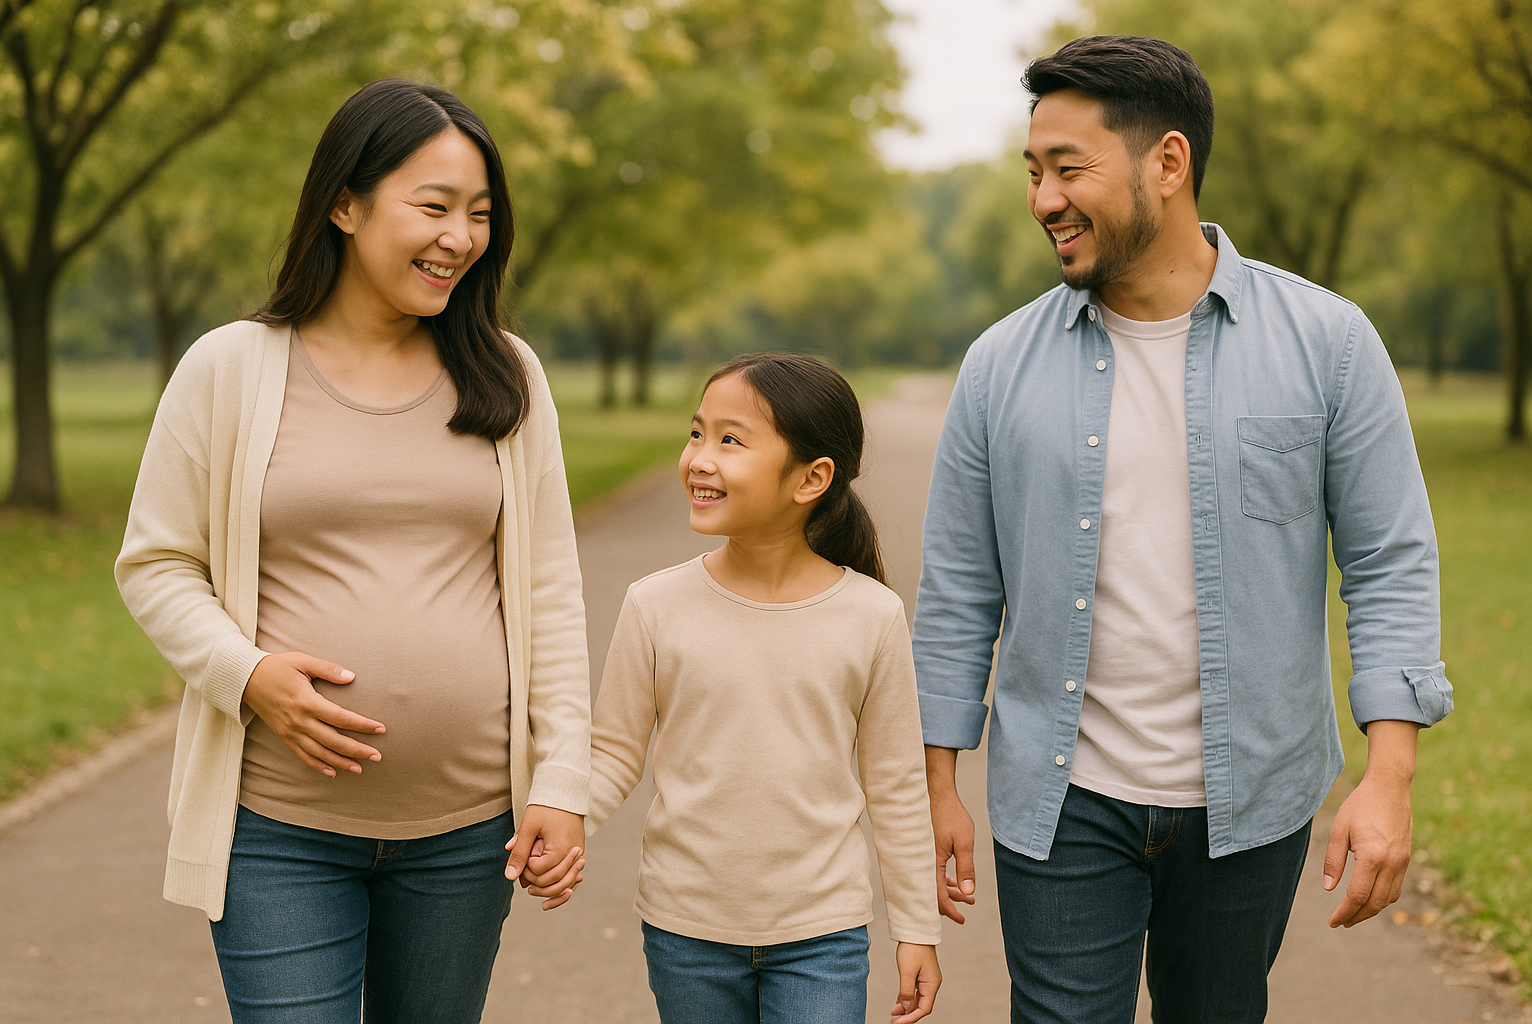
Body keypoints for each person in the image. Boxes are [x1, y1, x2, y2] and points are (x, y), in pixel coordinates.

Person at [912, 35, 1453, 1024]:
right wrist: (937, 781)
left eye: (1069, 169)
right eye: (1033, 172)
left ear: (1168, 162)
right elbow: (958, 586)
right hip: (1061, 801)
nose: (1043, 200)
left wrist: (1390, 775)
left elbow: (1388, 562)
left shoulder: (1329, 344)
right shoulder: (997, 367)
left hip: (1254, 798)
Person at [114, 79, 591, 1024]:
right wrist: (244, 673)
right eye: (434, 206)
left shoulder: (506, 373)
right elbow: (157, 563)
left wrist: (563, 781)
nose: (461, 236)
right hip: (278, 831)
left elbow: (550, 596)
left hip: (466, 836)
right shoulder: (230, 367)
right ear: (345, 202)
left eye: (481, 214)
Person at [580, 353, 942, 1023]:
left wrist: (916, 926)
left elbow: (894, 784)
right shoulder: (654, 605)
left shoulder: (871, 616)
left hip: (821, 935)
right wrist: (562, 821)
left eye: (730, 440)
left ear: (812, 478)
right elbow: (611, 754)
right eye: (696, 433)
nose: (699, 458)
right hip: (686, 929)